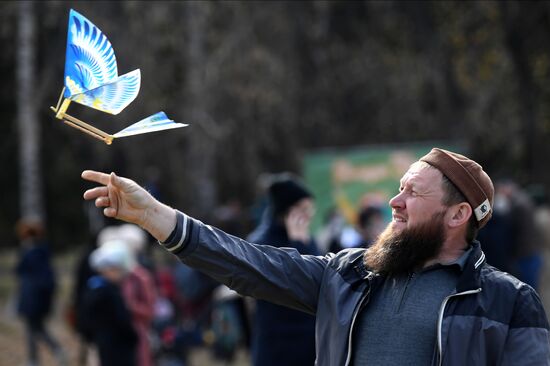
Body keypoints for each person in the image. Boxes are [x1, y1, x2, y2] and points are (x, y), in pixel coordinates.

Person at [81, 147, 550, 365]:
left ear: (458, 214)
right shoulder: (349, 276)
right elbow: (249, 265)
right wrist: (158, 217)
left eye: (413, 192)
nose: (395, 202)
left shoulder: (509, 304)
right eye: (398, 187)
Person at [246, 173, 319, 366]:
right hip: (277, 344)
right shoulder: (261, 243)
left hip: (308, 341)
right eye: (303, 209)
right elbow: (295, 282)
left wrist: (301, 244)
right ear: (288, 211)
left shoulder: (304, 238)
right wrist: (299, 247)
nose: (308, 214)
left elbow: (321, 279)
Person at [14, 219, 66, 366]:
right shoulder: (41, 252)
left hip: (32, 300)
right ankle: (41, 356)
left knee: (34, 329)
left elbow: (23, 273)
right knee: (35, 329)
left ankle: (42, 356)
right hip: (37, 300)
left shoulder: (32, 253)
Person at [81, 240, 139, 366]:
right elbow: (122, 320)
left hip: (103, 344)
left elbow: (85, 320)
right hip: (118, 347)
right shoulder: (110, 292)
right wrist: (133, 337)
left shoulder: (92, 288)